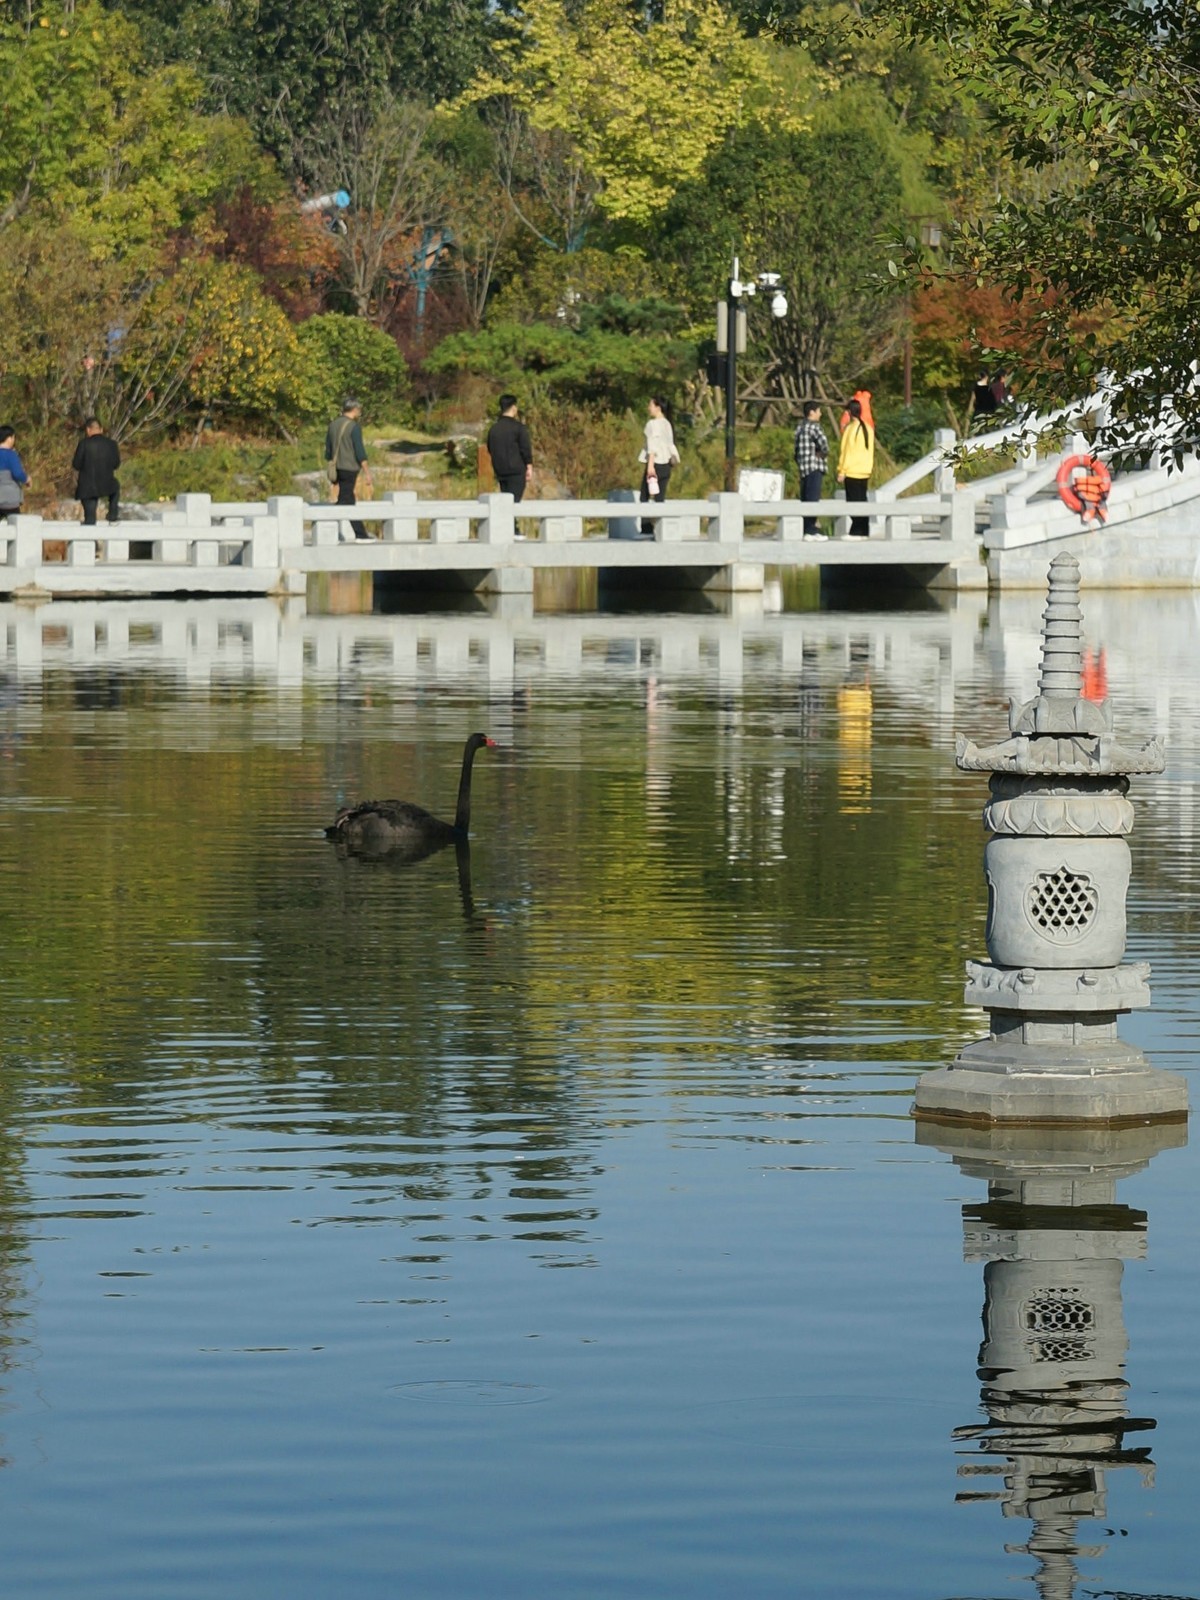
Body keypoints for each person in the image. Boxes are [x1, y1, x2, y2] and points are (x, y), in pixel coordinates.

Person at [325, 396, 372, 540]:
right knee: (346, 500)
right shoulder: (354, 427)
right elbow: (359, 451)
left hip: (336, 467)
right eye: (359, 409)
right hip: (350, 467)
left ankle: (359, 534)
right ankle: (360, 534)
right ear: (354, 409)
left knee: (346, 497)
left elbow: (328, 450)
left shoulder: (333, 425)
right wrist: (367, 472)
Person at [639, 396, 680, 536]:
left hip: (655, 464)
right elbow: (670, 444)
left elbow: (653, 446)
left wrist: (650, 466)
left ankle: (646, 528)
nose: (648, 407)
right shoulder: (668, 424)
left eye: (650, 405)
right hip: (666, 465)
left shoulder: (653, 424)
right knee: (659, 497)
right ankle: (660, 528)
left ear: (658, 407)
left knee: (644, 496)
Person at [837, 397, 875, 538]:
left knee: (853, 502)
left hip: (852, 470)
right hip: (864, 470)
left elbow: (846, 451)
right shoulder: (868, 428)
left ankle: (856, 531)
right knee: (862, 500)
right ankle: (863, 530)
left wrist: (842, 470)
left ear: (849, 413)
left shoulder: (850, 429)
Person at [73, 418, 121, 525]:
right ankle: (113, 514)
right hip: (107, 483)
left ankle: (90, 538)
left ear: (88, 430)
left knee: (90, 520)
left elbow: (76, 464)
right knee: (116, 487)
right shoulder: (112, 444)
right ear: (101, 429)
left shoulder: (83, 444)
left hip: (87, 485)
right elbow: (116, 464)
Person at [486, 394, 533, 503]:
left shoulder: (494, 429)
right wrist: (529, 465)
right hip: (516, 471)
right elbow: (525, 448)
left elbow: (490, 448)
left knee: (505, 503)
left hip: (500, 471)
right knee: (514, 504)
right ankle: (513, 521)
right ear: (513, 407)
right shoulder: (518, 428)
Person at [793, 401, 829, 539]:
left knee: (805, 498)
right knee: (813, 499)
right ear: (812, 412)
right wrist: (821, 454)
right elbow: (824, 445)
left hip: (803, 467)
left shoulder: (800, 428)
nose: (820, 413)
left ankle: (806, 528)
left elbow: (796, 450)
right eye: (819, 411)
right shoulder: (814, 428)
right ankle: (811, 530)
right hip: (814, 467)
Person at [0, 425, 30, 519]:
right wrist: (27, 479)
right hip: (8, 499)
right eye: (13, 437)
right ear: (9, 438)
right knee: (16, 526)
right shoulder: (11, 455)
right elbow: (17, 473)